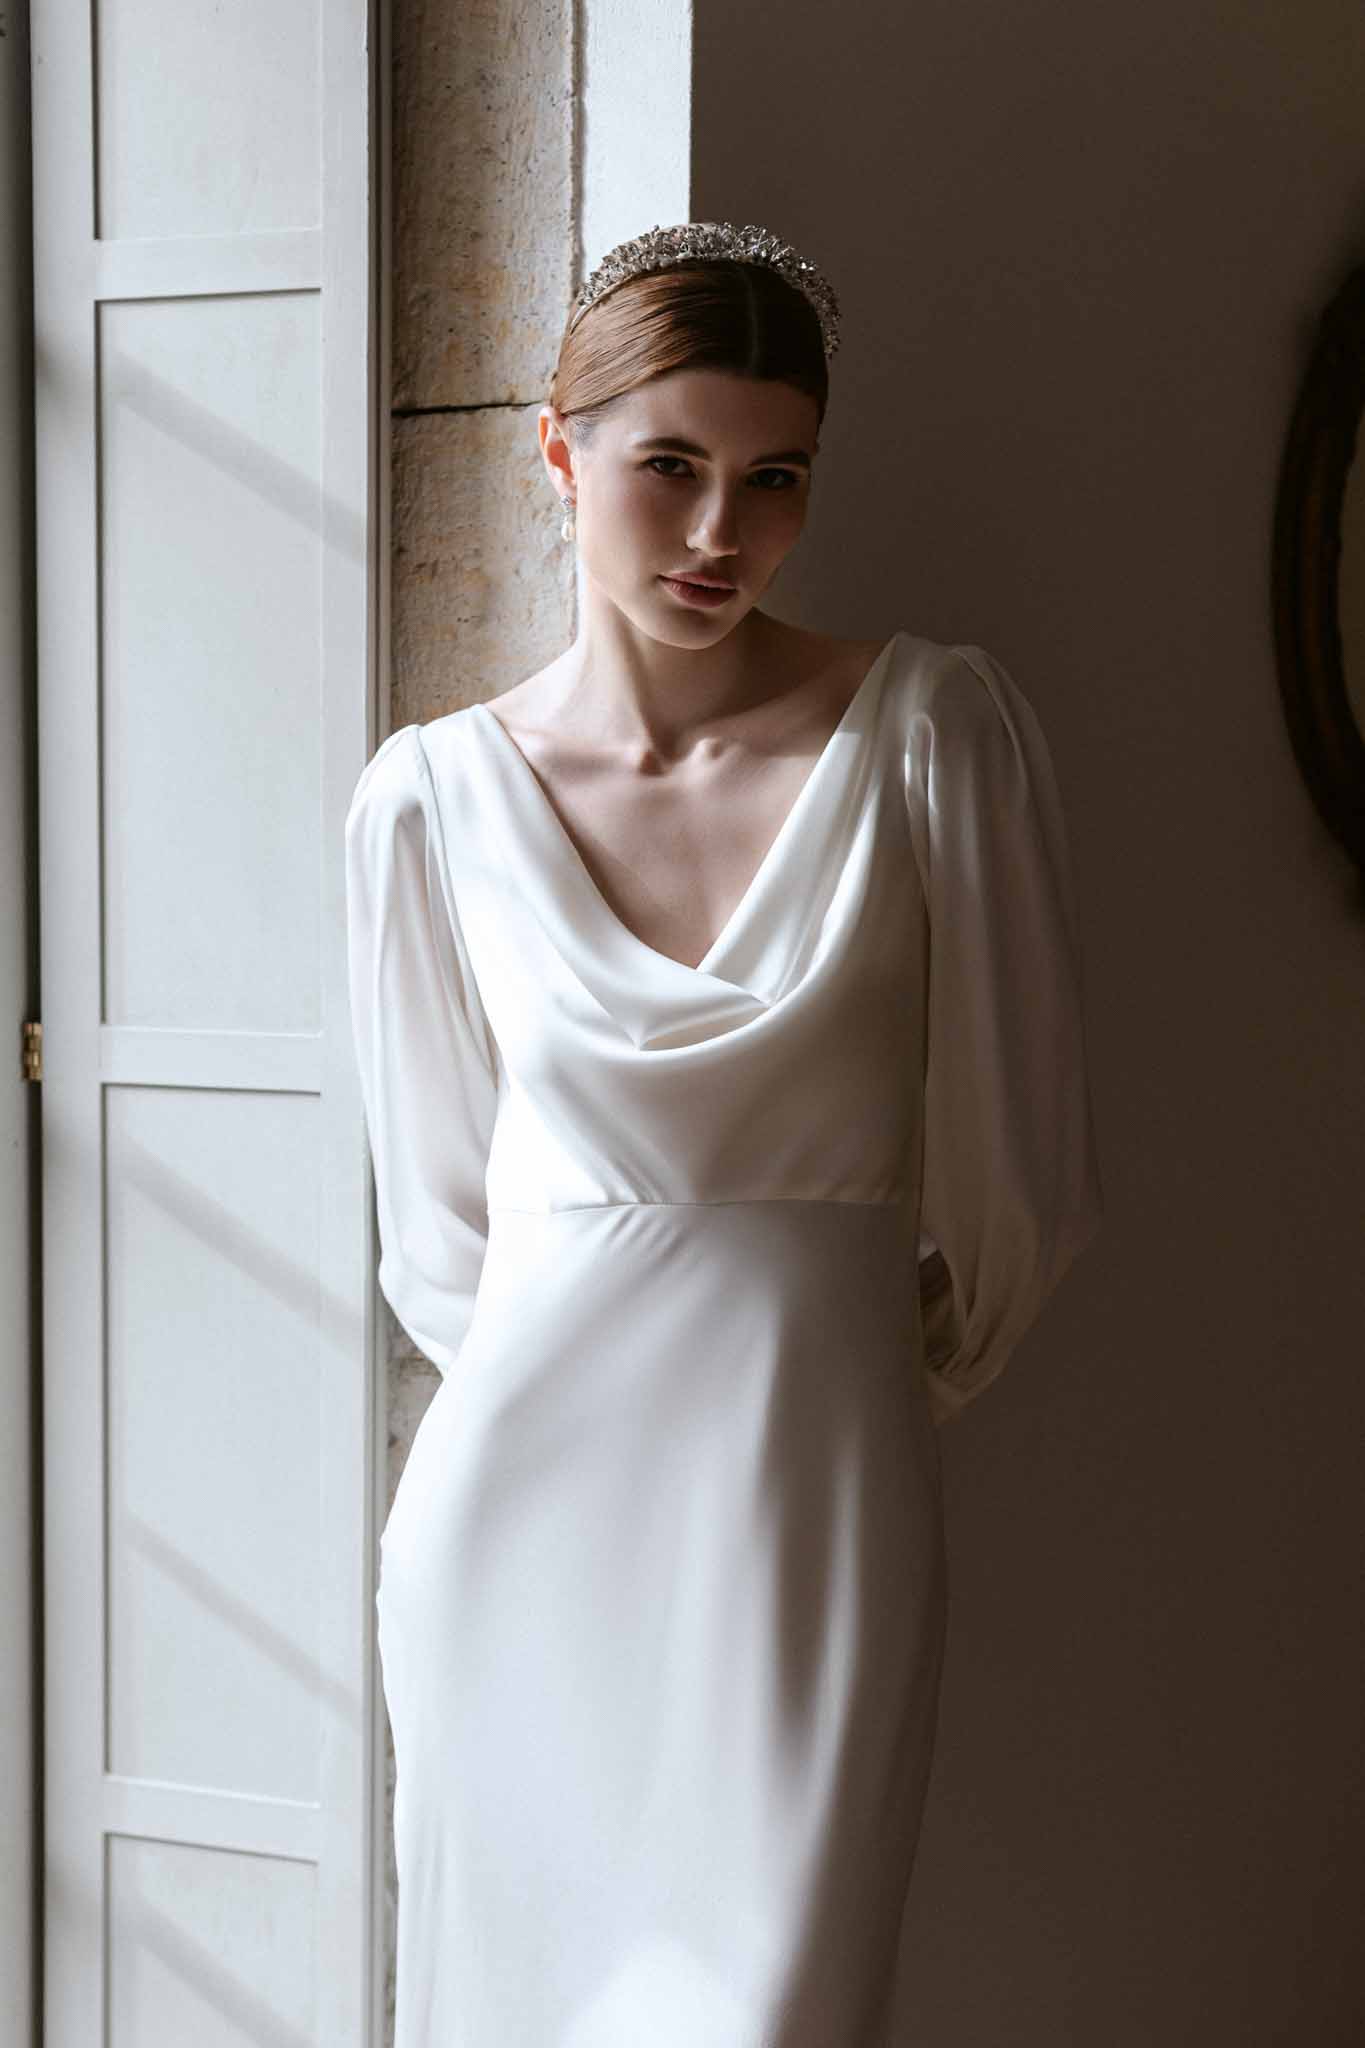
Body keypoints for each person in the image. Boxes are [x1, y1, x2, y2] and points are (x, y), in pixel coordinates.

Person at [344, 220, 1103, 2048]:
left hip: (806, 1518)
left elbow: (1019, 1180)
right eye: (667, 466)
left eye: (774, 482)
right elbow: (447, 1235)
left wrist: (820, 1373)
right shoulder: (431, 802)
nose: (718, 536)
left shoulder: (932, 739)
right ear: (559, 449)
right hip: (519, 1534)